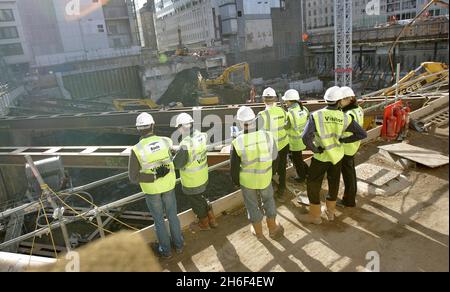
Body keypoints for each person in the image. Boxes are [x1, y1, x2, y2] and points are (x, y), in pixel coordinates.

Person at [300, 87, 367, 225]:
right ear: (339, 101)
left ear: (326, 100)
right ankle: (330, 212)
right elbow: (361, 134)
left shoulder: (316, 115)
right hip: (337, 156)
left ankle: (315, 216)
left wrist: (315, 149)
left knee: (313, 184)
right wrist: (343, 140)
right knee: (334, 183)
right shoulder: (345, 117)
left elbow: (305, 137)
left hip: (321, 157)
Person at [128, 113, 184, 258]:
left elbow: (133, 177)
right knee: (172, 216)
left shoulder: (136, 149)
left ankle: (166, 251)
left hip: (152, 190)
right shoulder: (165, 141)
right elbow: (176, 154)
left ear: (138, 129)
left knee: (159, 220)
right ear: (153, 125)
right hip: (169, 186)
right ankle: (179, 246)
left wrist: (153, 176)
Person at [231, 106, 284, 240]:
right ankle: (272, 229)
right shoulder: (268, 135)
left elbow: (234, 168)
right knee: (268, 200)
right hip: (265, 177)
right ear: (254, 120)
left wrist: (237, 182)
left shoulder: (237, 141)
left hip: (247, 181)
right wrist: (271, 174)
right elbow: (275, 158)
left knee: (252, 205)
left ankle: (259, 233)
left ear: (240, 123)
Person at [172, 113, 218, 231]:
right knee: (201, 197)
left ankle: (204, 223)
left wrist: (175, 154)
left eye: (178, 127)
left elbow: (177, 164)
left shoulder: (185, 144)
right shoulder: (201, 136)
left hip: (192, 181)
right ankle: (212, 219)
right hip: (203, 176)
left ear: (182, 127)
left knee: (196, 202)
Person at [257, 87, 290, 202]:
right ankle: (281, 189)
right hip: (284, 144)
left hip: (270, 148)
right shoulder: (282, 111)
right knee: (282, 167)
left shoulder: (261, 115)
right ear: (275, 98)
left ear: (263, 99)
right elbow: (286, 125)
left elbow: (258, 134)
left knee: (269, 169)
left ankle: (269, 191)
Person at [338, 87, 365, 208]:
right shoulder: (359, 109)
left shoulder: (348, 114)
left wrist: (342, 139)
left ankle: (349, 201)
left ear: (348, 99)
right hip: (354, 146)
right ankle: (350, 196)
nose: (339, 102)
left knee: (348, 175)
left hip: (347, 147)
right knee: (351, 173)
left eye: (341, 100)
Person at [282, 89, 310, 183]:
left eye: (286, 101)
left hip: (294, 142)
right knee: (298, 159)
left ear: (289, 101)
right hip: (303, 139)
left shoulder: (290, 113)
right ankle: (307, 172)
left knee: (297, 161)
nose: (285, 103)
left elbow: (286, 127)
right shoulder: (304, 109)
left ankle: (301, 177)